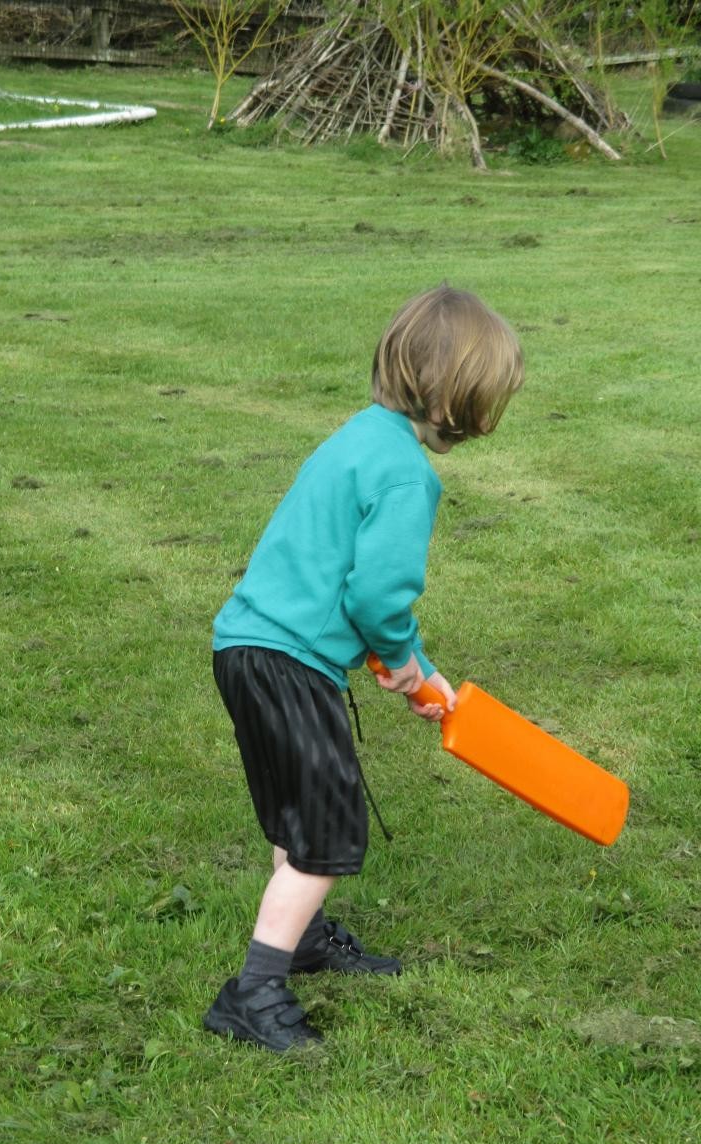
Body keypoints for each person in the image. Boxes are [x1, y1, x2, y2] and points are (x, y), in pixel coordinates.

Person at [205, 284, 524, 1052]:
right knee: (324, 829)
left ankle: (304, 938)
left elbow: (349, 584)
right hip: (290, 663)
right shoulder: (407, 474)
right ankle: (254, 990)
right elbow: (377, 596)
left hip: (245, 648)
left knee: (297, 812)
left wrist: (415, 667)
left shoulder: (357, 437)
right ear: (454, 398)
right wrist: (406, 663)